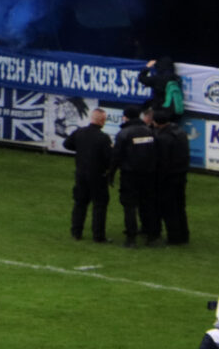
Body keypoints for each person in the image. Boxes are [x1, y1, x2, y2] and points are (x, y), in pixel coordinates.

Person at [111, 104, 160, 247]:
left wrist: (111, 173)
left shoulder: (124, 133)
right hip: (149, 174)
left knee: (129, 206)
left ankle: (131, 238)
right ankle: (151, 236)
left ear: (125, 117)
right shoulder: (149, 132)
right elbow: (156, 153)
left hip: (130, 175)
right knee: (148, 204)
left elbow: (116, 156)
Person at [64, 107, 113, 242]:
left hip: (81, 174)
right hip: (98, 176)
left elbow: (66, 144)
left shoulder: (79, 132)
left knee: (80, 203)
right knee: (99, 205)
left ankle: (76, 232)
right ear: (102, 121)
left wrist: (80, 149)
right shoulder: (103, 138)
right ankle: (98, 235)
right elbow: (109, 157)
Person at [154, 108, 191, 244]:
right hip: (181, 174)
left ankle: (174, 237)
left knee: (169, 208)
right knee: (180, 206)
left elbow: (163, 162)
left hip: (168, 177)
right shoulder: (180, 132)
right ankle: (184, 235)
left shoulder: (163, 138)